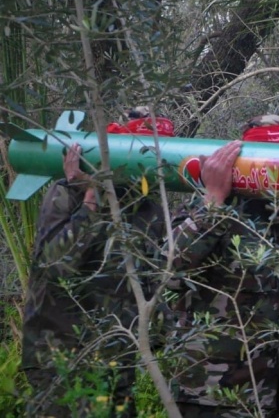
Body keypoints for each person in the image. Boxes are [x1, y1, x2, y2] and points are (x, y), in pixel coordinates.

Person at [22, 110, 174, 417]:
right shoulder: (67, 193)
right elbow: (54, 265)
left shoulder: (148, 208)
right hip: (61, 364)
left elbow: (152, 279)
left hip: (117, 365)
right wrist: (92, 197)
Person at [168, 115, 279, 417]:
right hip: (215, 395)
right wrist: (213, 202)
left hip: (276, 391)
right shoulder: (207, 205)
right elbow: (169, 272)